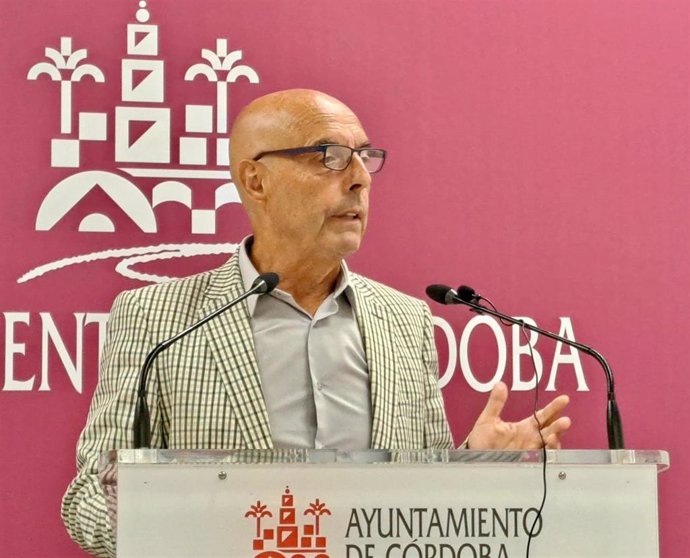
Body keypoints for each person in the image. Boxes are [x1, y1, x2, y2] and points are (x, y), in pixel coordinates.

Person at [61, 89, 571, 557]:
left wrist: (472, 470)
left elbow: (423, 499)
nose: (359, 179)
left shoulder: (405, 320)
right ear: (255, 180)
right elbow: (89, 501)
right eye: (330, 157)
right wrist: (195, 528)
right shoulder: (158, 318)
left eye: (365, 158)